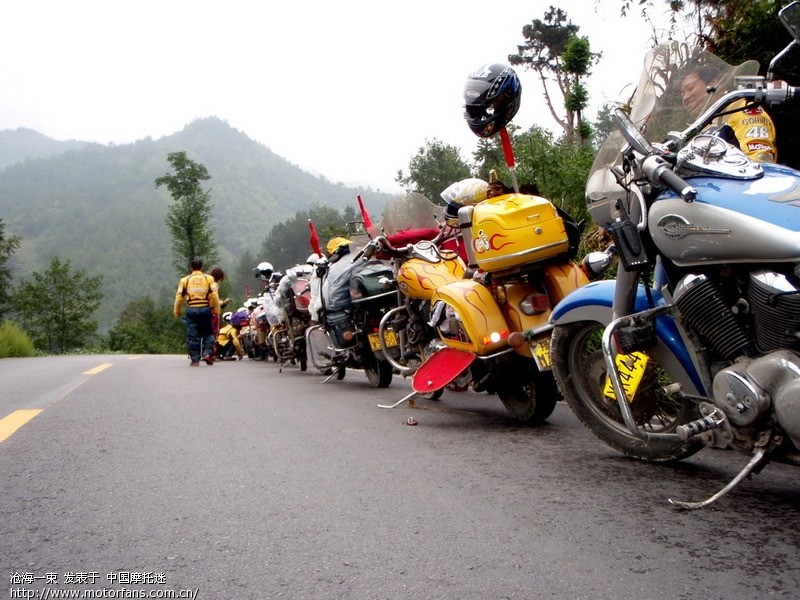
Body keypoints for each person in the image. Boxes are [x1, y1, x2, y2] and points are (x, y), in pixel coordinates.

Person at [679, 65, 777, 163]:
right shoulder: (700, 127)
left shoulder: (741, 110)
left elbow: (760, 161)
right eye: (682, 94)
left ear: (714, 82)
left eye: (690, 88)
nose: (685, 98)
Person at [174, 258, 221, 366]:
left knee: (193, 335)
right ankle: (207, 353)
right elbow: (214, 295)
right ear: (202, 267)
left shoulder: (184, 280)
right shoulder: (209, 279)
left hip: (191, 309)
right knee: (208, 333)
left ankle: (195, 360)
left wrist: (177, 311)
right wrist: (216, 309)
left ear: (191, 268)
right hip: (205, 309)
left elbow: (179, 297)